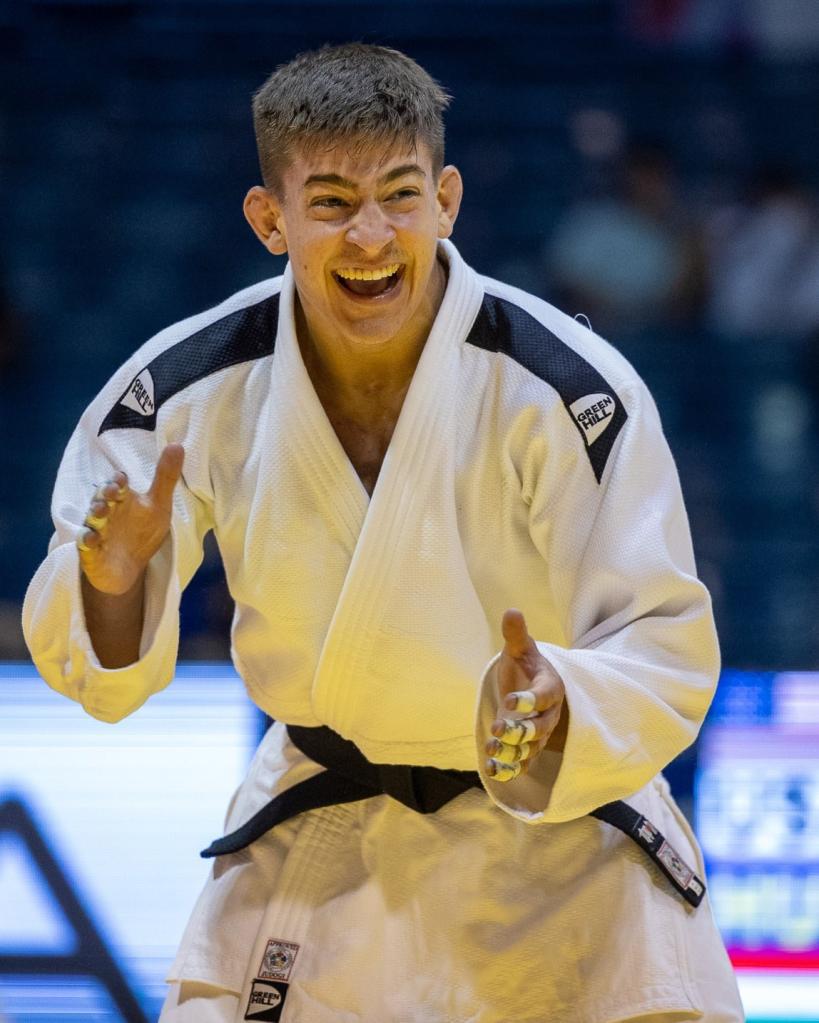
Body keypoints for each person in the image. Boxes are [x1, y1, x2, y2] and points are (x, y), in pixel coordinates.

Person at [23, 43, 744, 1023]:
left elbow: (663, 643)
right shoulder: (185, 393)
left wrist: (558, 703)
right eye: (330, 203)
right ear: (269, 219)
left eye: (400, 195)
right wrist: (111, 579)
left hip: (566, 853)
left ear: (447, 201)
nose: (372, 234)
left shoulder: (567, 392)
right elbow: (98, 672)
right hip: (326, 830)